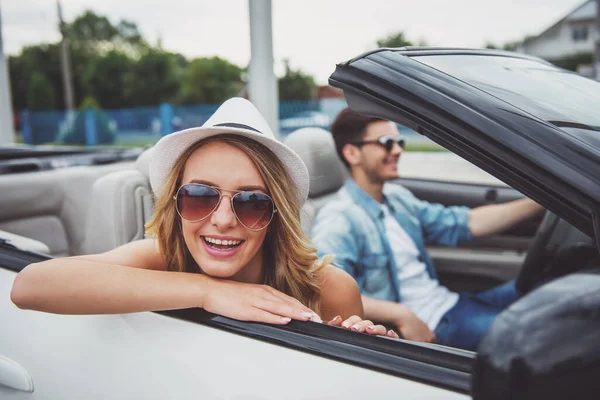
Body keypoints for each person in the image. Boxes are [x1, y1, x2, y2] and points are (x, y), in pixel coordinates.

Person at [10, 98, 396, 338]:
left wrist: (360, 349)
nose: (224, 219)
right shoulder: (160, 259)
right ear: (175, 205)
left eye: (251, 202)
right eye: (200, 196)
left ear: (276, 214)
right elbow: (31, 285)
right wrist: (210, 291)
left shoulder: (330, 289)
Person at [311, 107, 545, 351]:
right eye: (386, 143)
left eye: (399, 141)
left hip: (453, 303)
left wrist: (541, 203)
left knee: (553, 292)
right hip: (436, 325)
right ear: (352, 153)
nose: (398, 150)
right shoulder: (340, 219)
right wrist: (400, 314)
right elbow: (326, 290)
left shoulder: (397, 197)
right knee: (536, 339)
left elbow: (462, 223)